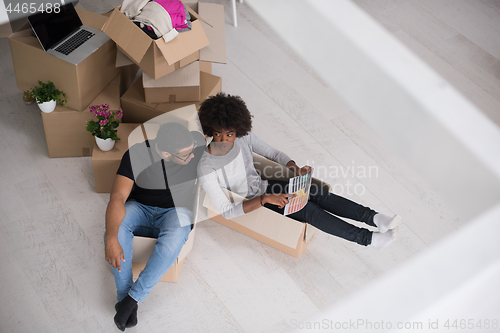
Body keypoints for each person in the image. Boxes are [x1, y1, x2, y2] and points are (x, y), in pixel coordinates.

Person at [197, 93, 401, 250]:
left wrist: (295, 169)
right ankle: (369, 239)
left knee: (318, 194)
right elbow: (226, 211)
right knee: (309, 211)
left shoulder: (244, 137)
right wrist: (265, 199)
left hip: (266, 187)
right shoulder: (206, 167)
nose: (224, 140)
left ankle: (375, 218)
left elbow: (274, 153)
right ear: (210, 130)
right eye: (218, 134)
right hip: (253, 204)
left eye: (230, 134)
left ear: (237, 130)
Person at [104, 122, 205, 331]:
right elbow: (118, 197)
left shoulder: (195, 145)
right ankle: (123, 295)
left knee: (176, 237)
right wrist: (111, 238)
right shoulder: (137, 155)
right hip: (140, 207)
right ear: (166, 153)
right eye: (186, 156)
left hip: (175, 211)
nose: (192, 157)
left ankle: (131, 300)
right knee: (116, 229)